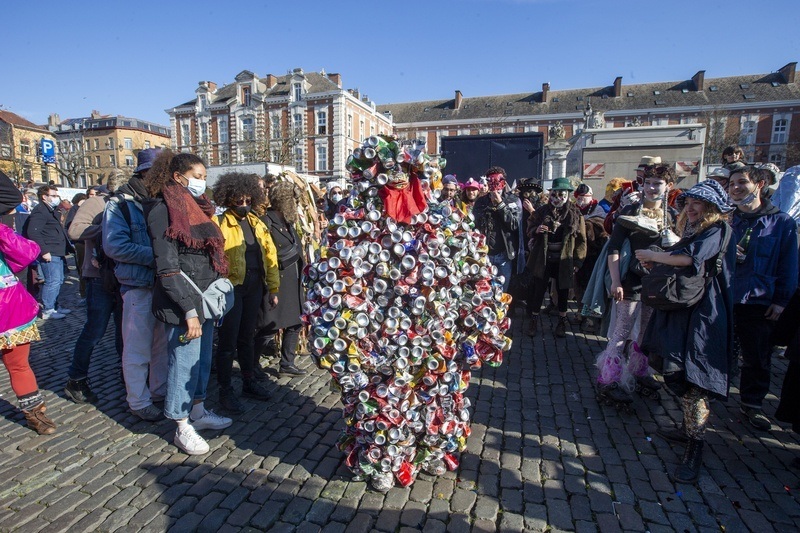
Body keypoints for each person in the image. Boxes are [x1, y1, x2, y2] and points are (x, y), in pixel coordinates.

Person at [637, 179, 736, 483]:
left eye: (699, 204)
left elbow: (688, 259)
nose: (691, 209)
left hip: (703, 314)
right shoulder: (696, 230)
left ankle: (695, 446)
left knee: (694, 379)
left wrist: (654, 256)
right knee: (676, 372)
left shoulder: (717, 229)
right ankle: (687, 428)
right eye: (689, 202)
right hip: (682, 311)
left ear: (712, 208)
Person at [143, 150, 232, 455]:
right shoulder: (162, 209)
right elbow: (167, 267)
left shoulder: (199, 208)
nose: (201, 183)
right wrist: (189, 311)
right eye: (197, 177)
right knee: (183, 364)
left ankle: (198, 410)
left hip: (204, 300)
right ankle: (181, 425)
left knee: (201, 361)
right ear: (178, 177)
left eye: (205, 177)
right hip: (183, 305)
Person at [595, 164, 677, 406]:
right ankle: (608, 380)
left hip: (657, 285)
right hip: (630, 283)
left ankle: (639, 372)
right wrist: (616, 281)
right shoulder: (630, 211)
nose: (652, 188)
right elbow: (614, 248)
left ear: (668, 187)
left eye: (658, 183)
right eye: (648, 182)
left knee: (644, 334)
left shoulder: (671, 215)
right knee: (620, 333)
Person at [729, 165, 798, 430]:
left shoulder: (781, 222)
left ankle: (752, 403)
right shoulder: (727, 219)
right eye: (732, 183)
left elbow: (788, 265)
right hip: (725, 295)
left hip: (759, 300)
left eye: (741, 182)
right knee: (719, 351)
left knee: (757, 357)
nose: (735, 188)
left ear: (759, 184)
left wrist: (781, 301)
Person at [102, 148, 169, 421]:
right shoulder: (120, 203)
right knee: (137, 347)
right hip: (138, 284)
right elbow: (115, 246)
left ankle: (159, 391)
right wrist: (158, 258)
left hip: (162, 283)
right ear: (145, 173)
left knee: (160, 345)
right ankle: (138, 400)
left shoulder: (162, 200)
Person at [213, 172, 279, 413]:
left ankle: (249, 380)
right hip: (232, 288)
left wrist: (273, 287)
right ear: (228, 199)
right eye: (238, 201)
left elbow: (269, 255)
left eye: (247, 201)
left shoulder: (256, 223)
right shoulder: (218, 223)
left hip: (254, 286)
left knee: (248, 337)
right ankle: (225, 390)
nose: (243, 205)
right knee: (228, 341)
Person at [0, 172, 57, 434]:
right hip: (9, 307)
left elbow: (26, 252)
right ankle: (36, 416)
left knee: (19, 364)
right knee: (19, 365)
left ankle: (36, 414)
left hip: (7, 308)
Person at [64, 180, 124, 403]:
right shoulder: (95, 203)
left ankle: (127, 372)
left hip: (123, 277)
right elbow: (75, 230)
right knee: (95, 330)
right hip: (99, 277)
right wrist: (106, 227)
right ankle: (76, 378)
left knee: (124, 331)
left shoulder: (131, 203)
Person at [256, 180, 308, 377]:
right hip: (277, 281)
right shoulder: (266, 221)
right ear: (285, 200)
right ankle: (252, 365)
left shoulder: (288, 222)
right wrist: (271, 287)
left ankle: (287, 363)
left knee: (295, 323)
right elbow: (264, 254)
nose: (295, 205)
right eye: (293, 200)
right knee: (269, 326)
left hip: (293, 281)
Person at [526, 178, 586, 337]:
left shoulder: (575, 214)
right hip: (543, 258)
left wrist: (578, 261)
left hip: (564, 258)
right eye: (554, 194)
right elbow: (529, 227)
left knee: (563, 291)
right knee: (539, 290)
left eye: (561, 195)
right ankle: (533, 320)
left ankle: (561, 321)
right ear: (550, 194)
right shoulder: (541, 211)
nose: (557, 198)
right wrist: (536, 229)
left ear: (568, 195)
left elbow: (581, 240)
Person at [24, 185, 73, 319]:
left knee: (59, 280)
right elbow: (33, 232)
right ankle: (48, 309)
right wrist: (44, 251)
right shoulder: (40, 211)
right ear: (44, 197)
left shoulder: (50, 210)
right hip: (50, 251)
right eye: (54, 195)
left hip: (57, 250)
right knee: (52, 281)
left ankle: (54, 306)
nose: (57, 198)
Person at [472, 167, 521, 292]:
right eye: (490, 183)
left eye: (497, 183)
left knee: (501, 292)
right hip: (485, 254)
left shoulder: (513, 200)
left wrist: (500, 205)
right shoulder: (481, 202)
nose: (494, 187)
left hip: (504, 254)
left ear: (503, 183)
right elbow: (476, 224)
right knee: (484, 290)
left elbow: (514, 224)